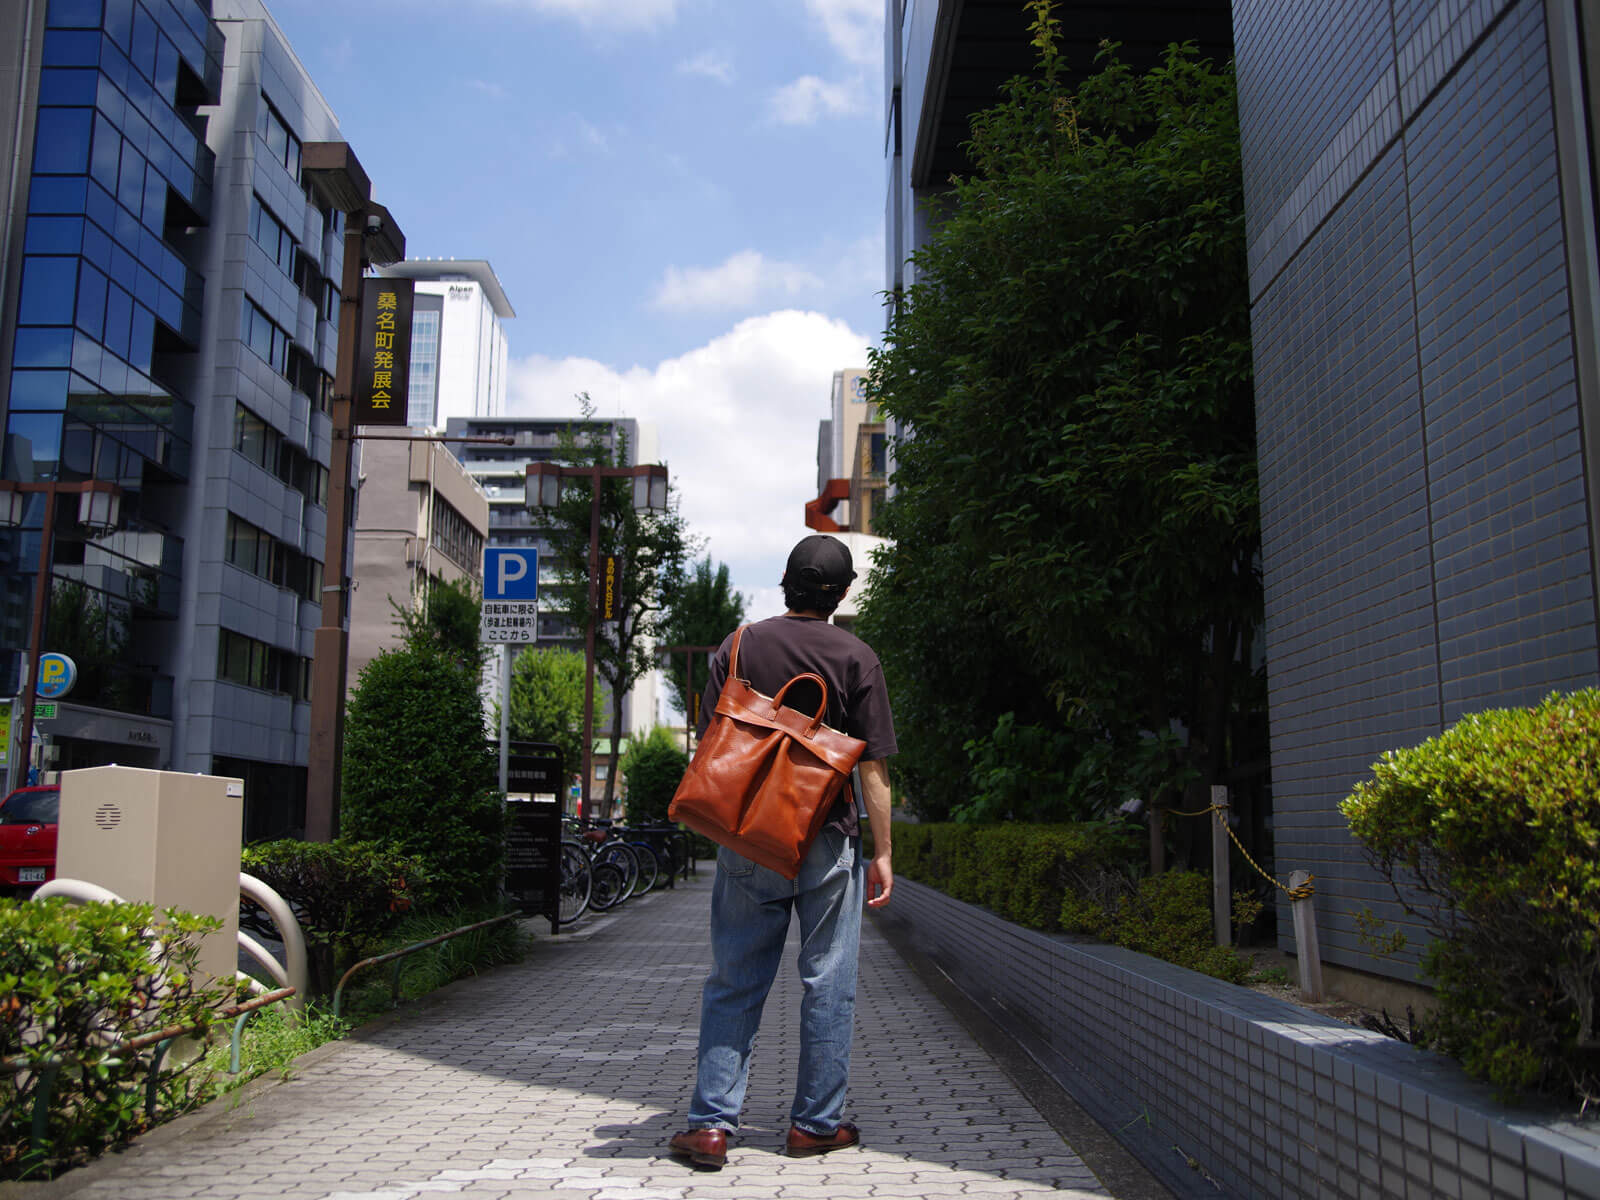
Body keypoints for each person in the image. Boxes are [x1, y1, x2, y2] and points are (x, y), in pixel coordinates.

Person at [667, 534, 896, 1170]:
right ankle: (814, 1125)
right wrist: (883, 852)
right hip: (828, 838)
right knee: (828, 982)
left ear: (785, 584)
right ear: (843, 594)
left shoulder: (739, 645)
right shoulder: (857, 657)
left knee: (735, 978)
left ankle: (712, 1124)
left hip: (749, 835)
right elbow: (873, 772)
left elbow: (716, 736)